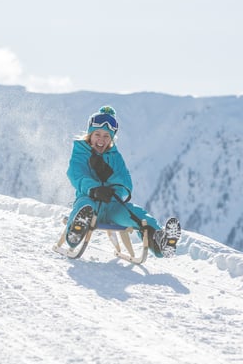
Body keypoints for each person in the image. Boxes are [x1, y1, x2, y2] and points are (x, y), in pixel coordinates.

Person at [65, 106, 181, 257]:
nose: (101, 139)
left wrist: (111, 181)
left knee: (137, 214)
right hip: (90, 201)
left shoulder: (115, 156)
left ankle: (160, 241)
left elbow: (126, 182)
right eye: (97, 134)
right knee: (84, 206)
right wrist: (94, 189)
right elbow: (76, 174)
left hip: (113, 206)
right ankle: (76, 231)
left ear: (112, 138)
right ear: (90, 135)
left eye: (107, 136)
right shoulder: (80, 151)